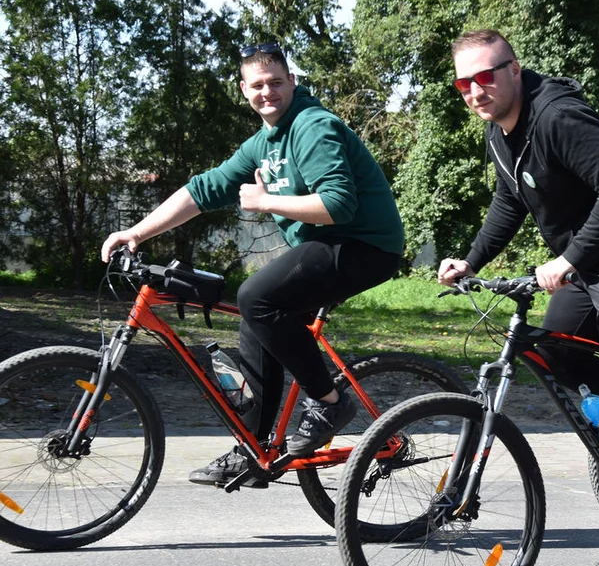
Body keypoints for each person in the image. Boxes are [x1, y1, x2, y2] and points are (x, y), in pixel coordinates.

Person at [101, 42, 405, 488]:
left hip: (364, 245)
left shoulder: (312, 126)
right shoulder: (262, 144)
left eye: (276, 82)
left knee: (256, 297)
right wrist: (136, 233)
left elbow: (339, 204)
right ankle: (255, 450)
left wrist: (266, 201)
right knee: (256, 318)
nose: (268, 92)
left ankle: (330, 401)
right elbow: (203, 190)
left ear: (292, 83)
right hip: (324, 247)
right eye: (258, 85)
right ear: (244, 90)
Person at [438, 29, 599, 566]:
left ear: (514, 68)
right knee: (558, 353)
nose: (476, 90)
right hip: (589, 261)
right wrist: (472, 261)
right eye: (464, 82)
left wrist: (568, 261)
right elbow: (510, 200)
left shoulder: (557, 117)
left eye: (486, 76)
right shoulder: (500, 134)